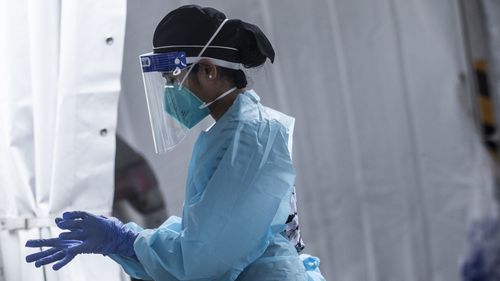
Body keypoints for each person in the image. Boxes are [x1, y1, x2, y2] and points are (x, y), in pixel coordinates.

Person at [25, 5, 326, 281]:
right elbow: (201, 236)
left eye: (173, 77)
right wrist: (125, 240)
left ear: (208, 70)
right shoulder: (233, 132)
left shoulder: (248, 140)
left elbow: (204, 258)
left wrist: (124, 240)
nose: (169, 90)